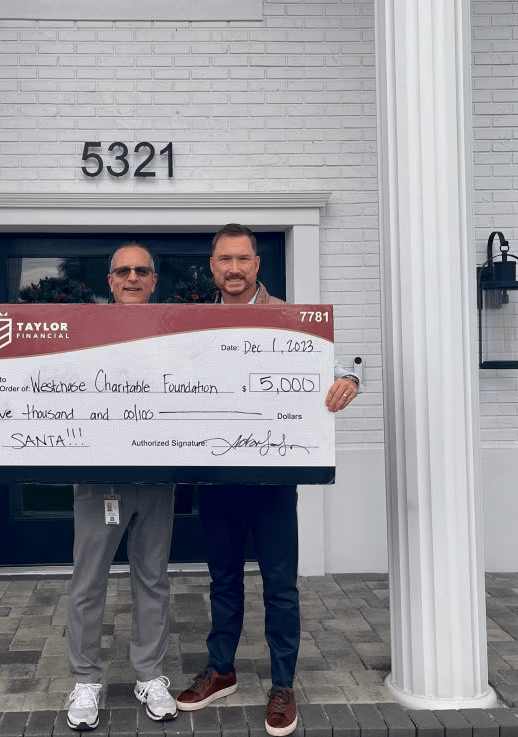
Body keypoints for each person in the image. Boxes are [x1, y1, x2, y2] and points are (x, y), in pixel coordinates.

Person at [0, 244, 178, 731]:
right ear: (110, 281)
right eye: (123, 271)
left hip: (156, 477)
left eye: (141, 271)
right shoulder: (81, 330)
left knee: (154, 579)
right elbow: (42, 373)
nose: (132, 277)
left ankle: (149, 674)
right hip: (97, 480)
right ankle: (86, 679)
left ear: (153, 281)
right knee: (88, 581)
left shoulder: (176, 331)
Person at [175, 224, 359, 737]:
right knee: (222, 581)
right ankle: (222, 670)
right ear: (212, 267)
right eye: (224, 260)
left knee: (280, 587)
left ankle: (282, 685)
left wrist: (350, 380)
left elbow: (338, 368)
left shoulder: (291, 320)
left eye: (243, 259)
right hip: (215, 476)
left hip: (274, 477)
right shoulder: (190, 324)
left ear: (257, 264)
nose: (234, 269)